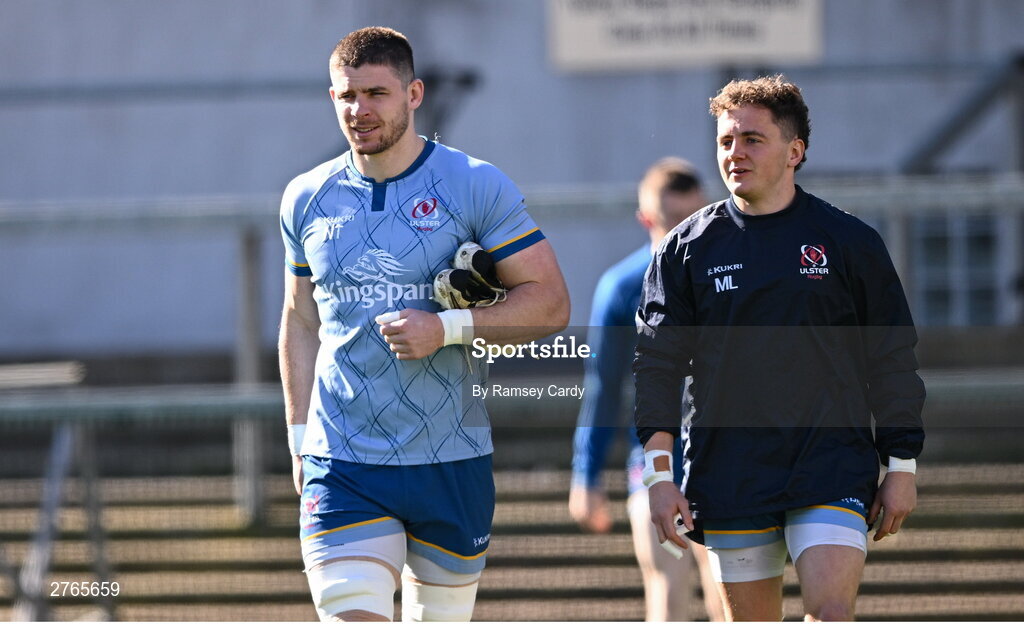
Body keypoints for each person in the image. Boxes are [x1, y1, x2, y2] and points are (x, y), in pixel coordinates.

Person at [278, 26, 569, 622]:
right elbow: (299, 319)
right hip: (345, 460)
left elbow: (551, 304)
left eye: (377, 93)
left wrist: (449, 328)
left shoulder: (474, 184)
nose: (359, 110)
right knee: (350, 611)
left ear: (414, 95)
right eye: (345, 95)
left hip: (451, 456)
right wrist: (298, 436)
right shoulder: (306, 196)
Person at [633, 76, 926, 621]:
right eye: (725, 141)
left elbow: (891, 358)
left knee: (831, 612)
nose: (734, 153)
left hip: (830, 465)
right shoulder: (685, 250)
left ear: (795, 152)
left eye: (752, 139)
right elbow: (657, 364)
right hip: (730, 470)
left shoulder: (850, 242)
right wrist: (658, 475)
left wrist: (902, 464)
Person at [569, 157, 724, 622]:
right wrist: (586, 475)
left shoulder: (729, 279)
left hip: (726, 456)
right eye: (671, 222)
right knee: (667, 583)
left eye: (692, 220)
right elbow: (604, 386)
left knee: (729, 589)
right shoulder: (621, 288)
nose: (683, 234)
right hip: (655, 462)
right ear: (646, 220)